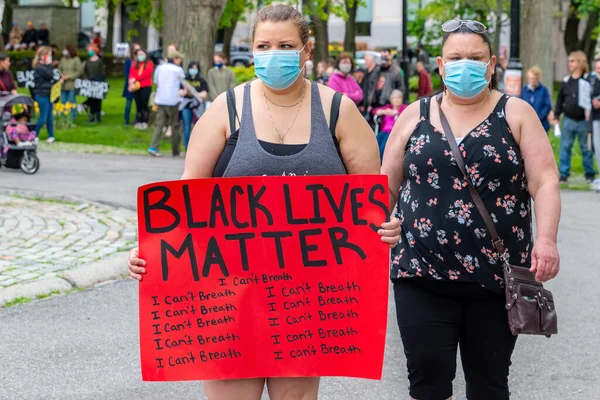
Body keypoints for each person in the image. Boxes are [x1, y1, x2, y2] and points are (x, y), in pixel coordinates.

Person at [128, 5, 401, 399]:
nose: (274, 54)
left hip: (307, 303)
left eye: (286, 45)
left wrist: (384, 226)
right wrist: (151, 251)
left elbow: (369, 204)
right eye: (263, 45)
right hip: (228, 301)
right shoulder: (226, 109)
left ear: (307, 50)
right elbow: (185, 199)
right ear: (252, 51)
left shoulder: (338, 111)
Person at [382, 19, 560, 400]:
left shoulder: (516, 113)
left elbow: (544, 181)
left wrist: (546, 240)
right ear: (441, 66)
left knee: (489, 385)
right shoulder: (414, 115)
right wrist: (384, 222)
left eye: (475, 57)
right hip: (420, 273)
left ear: (491, 63)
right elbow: (386, 183)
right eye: (456, 57)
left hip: (495, 280)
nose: (466, 64)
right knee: (427, 384)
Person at [555, 50, 595, 183]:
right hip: (568, 119)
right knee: (565, 146)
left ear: (579, 63)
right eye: (569, 62)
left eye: (572, 61)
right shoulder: (566, 81)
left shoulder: (588, 80)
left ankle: (589, 173)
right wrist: (556, 114)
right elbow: (560, 99)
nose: (569, 64)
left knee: (586, 147)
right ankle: (564, 173)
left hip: (584, 120)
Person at [148, 49, 185, 157]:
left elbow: (156, 82)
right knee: (174, 124)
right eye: (179, 59)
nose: (180, 61)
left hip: (161, 99)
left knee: (160, 123)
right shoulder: (178, 70)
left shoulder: (160, 68)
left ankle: (153, 146)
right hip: (173, 100)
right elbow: (182, 83)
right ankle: (175, 150)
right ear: (175, 59)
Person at [179, 60, 208, 150]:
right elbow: (180, 93)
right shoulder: (185, 80)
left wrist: (195, 93)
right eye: (192, 68)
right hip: (186, 105)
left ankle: (197, 147)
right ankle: (187, 147)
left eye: (195, 68)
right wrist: (186, 91)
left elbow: (204, 94)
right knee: (186, 126)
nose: (193, 70)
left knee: (197, 126)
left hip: (198, 106)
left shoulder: (202, 81)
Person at [34, 46, 58, 143]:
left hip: (49, 94)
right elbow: (50, 75)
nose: (50, 58)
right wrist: (49, 65)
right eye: (49, 56)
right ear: (44, 57)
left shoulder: (46, 67)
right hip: (41, 94)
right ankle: (34, 134)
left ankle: (51, 135)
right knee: (43, 116)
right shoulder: (40, 68)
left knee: (49, 117)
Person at [373, 89, 406, 160]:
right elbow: (375, 111)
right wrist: (384, 111)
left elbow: (408, 116)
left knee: (383, 148)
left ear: (402, 99)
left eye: (399, 97)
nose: (397, 100)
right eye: (395, 98)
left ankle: (382, 165)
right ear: (391, 100)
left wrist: (397, 113)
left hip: (394, 133)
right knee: (374, 146)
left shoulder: (404, 108)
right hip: (383, 131)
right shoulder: (388, 107)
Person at [520, 65, 552, 133]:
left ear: (538, 79)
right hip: (526, 124)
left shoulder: (543, 90)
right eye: (531, 78)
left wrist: (538, 117)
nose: (533, 80)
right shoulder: (523, 91)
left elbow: (548, 106)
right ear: (528, 78)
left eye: (535, 78)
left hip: (542, 124)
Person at [129, 48, 155, 130]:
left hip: (145, 87)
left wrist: (135, 79)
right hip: (136, 87)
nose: (140, 56)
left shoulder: (149, 64)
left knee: (144, 104)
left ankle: (145, 121)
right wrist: (131, 81)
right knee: (138, 105)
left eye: (142, 54)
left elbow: (146, 74)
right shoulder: (134, 64)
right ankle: (139, 121)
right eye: (139, 54)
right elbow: (131, 74)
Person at [82, 43, 106, 123]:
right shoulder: (88, 61)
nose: (89, 52)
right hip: (89, 83)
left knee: (97, 100)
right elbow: (85, 71)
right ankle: (92, 116)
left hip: (98, 82)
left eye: (90, 50)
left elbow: (101, 72)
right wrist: (86, 78)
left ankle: (98, 115)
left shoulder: (99, 61)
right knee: (91, 98)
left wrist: (97, 80)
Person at [58, 45, 82, 121]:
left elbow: (79, 71)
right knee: (63, 101)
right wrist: (62, 75)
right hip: (63, 83)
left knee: (72, 100)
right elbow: (59, 69)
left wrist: (70, 77)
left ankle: (72, 116)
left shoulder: (76, 59)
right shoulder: (63, 59)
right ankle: (63, 116)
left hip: (72, 83)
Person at [122, 42, 141, 126]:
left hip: (139, 85)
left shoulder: (141, 61)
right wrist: (131, 81)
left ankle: (137, 120)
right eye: (136, 49)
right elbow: (127, 73)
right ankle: (126, 120)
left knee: (138, 104)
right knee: (128, 103)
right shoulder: (128, 62)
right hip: (130, 85)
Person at [590, 58, 600, 192]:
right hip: (596, 119)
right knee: (597, 149)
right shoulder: (594, 81)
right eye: (597, 67)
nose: (599, 69)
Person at [359, 53, 380, 121]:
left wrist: (371, 104)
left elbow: (375, 88)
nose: (365, 62)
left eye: (366, 60)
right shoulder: (366, 72)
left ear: (372, 60)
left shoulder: (377, 71)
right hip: (365, 104)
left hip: (374, 104)